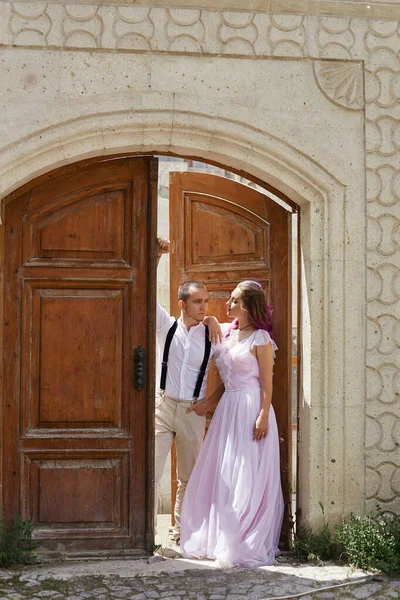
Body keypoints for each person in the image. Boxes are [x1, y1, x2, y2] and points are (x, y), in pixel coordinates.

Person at [180, 280, 284, 568]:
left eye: (235, 300)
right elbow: (227, 383)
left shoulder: (261, 339)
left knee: (247, 473)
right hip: (228, 411)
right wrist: (207, 405)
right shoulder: (227, 333)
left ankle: (244, 537)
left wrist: (263, 414)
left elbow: (267, 382)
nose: (228, 304)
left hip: (251, 408)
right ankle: (220, 536)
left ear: (249, 306)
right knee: (224, 472)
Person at [155, 238, 222, 543]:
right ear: (182, 304)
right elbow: (145, 294)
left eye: (206, 302)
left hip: (193, 410)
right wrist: (156, 257)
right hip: (163, 406)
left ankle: (181, 531)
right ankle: (142, 535)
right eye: (197, 302)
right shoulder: (165, 326)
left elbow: (234, 372)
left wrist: (209, 402)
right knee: (151, 471)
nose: (204, 307)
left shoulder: (213, 333)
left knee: (188, 477)